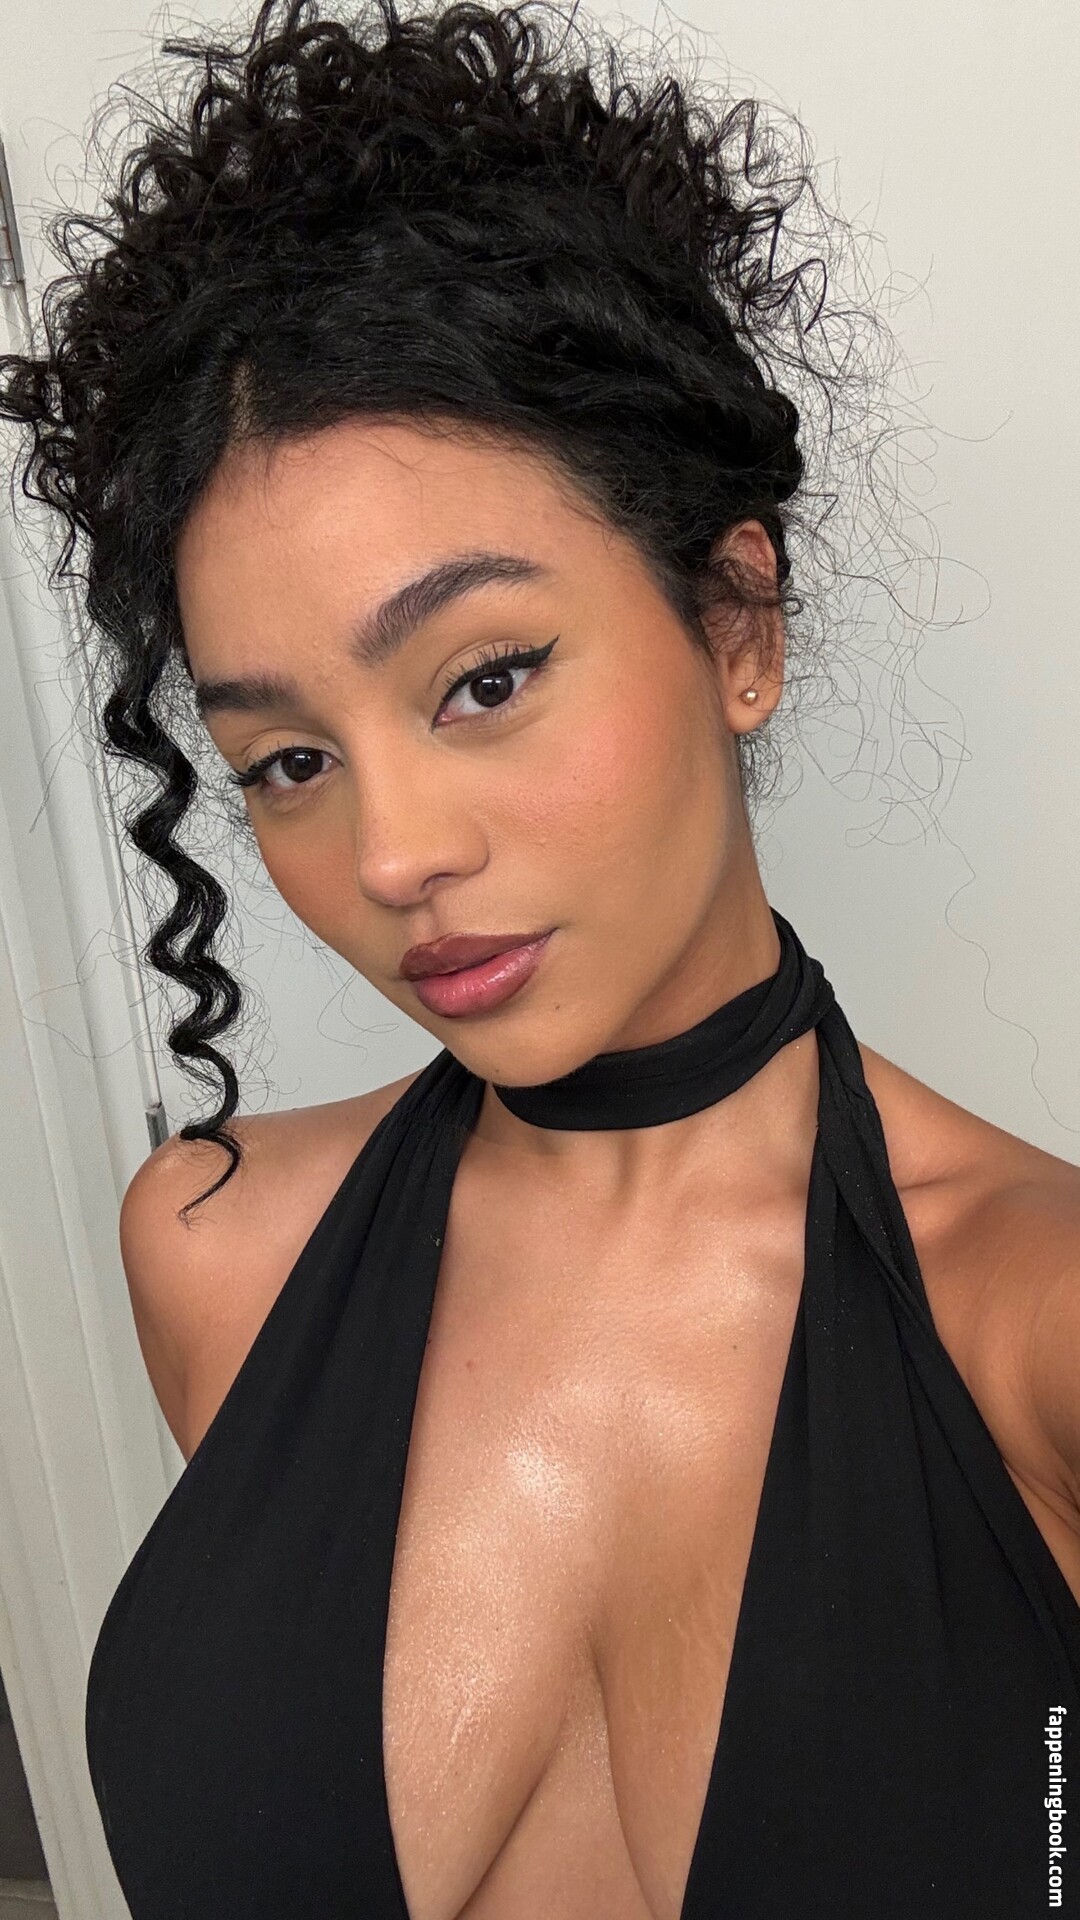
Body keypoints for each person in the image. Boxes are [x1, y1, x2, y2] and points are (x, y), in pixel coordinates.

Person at [2, 1, 1079, 1915]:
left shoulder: (1039, 1329)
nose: (392, 854)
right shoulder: (220, 1258)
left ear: (736, 622)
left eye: (484, 679)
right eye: (289, 760)